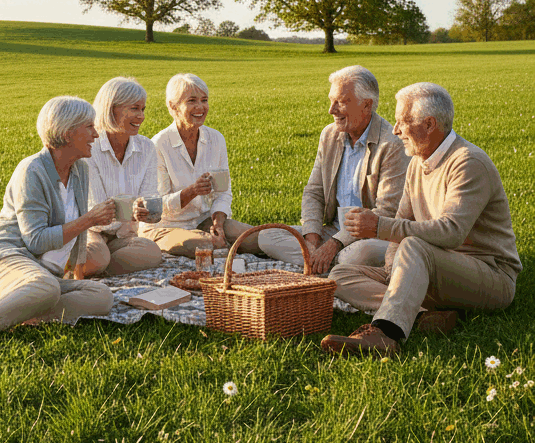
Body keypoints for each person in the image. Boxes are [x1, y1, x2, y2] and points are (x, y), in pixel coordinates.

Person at [321, 83, 522, 356]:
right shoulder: (418, 161)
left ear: (429, 124)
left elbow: (451, 233)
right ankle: (422, 315)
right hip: (437, 270)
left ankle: (386, 334)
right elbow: (404, 218)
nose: (395, 130)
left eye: (402, 122)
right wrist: (394, 270)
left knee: (413, 245)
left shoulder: (468, 162)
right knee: (340, 274)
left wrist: (379, 227)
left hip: (489, 276)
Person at [0, 96, 116, 358]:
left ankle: (5, 311)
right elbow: (36, 241)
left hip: (43, 276)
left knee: (101, 296)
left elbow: (78, 237)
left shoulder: (81, 170)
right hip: (6, 259)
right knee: (46, 288)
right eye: (89, 127)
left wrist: (77, 275)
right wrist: (90, 220)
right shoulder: (32, 171)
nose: (96, 134)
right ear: (67, 133)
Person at [257, 66, 408, 273]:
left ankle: (326, 265)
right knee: (268, 237)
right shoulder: (330, 135)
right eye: (331, 100)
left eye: (341, 102)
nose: (331, 110)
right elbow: (314, 191)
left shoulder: (391, 144)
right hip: (334, 231)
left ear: (367, 105)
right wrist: (312, 239)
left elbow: (386, 211)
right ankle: (325, 265)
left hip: (372, 236)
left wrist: (334, 244)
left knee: (357, 255)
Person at [140, 73, 258, 256]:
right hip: (167, 226)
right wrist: (192, 191)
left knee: (256, 238)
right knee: (207, 247)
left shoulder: (216, 139)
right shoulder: (158, 144)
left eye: (204, 100)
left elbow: (224, 192)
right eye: (192, 101)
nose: (200, 107)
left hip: (205, 220)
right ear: (173, 106)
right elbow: (158, 206)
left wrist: (218, 222)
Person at [82, 77, 163, 276]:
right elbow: (95, 211)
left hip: (122, 235)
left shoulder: (146, 147)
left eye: (143, 109)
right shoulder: (88, 147)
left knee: (151, 251)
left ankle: (98, 268)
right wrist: (128, 212)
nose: (141, 116)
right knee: (97, 253)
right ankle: (93, 264)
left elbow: (149, 196)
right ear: (111, 109)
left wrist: (147, 213)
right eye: (135, 109)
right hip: (91, 230)